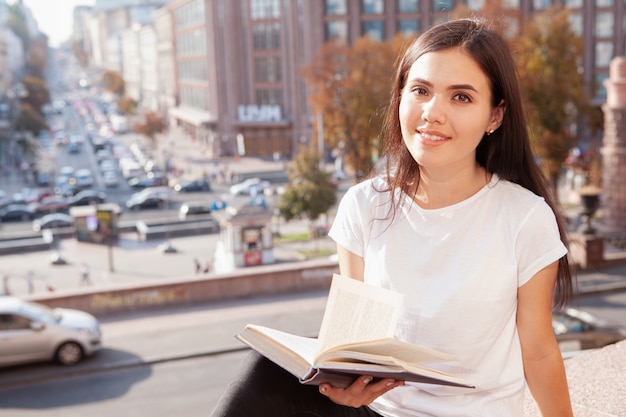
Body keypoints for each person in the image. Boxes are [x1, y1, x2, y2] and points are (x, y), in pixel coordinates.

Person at [210, 19, 574, 417]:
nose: (432, 113)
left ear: (495, 116)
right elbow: (356, 343)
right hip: (380, 412)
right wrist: (346, 384)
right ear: (400, 97)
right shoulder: (364, 205)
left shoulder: (523, 218)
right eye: (420, 90)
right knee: (266, 372)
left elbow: (538, 352)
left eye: (462, 97)